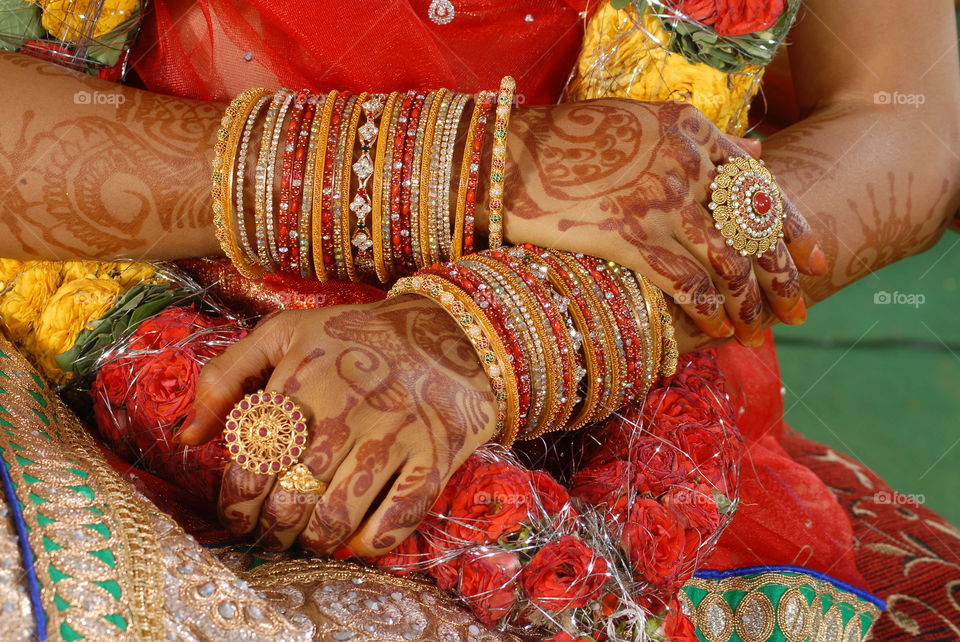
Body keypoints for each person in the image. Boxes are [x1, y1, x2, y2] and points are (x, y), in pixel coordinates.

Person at [0, 1, 957, 639]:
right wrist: (509, 166)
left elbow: (912, 119)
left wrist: (504, 335)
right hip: (108, 383)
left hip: (629, 426)